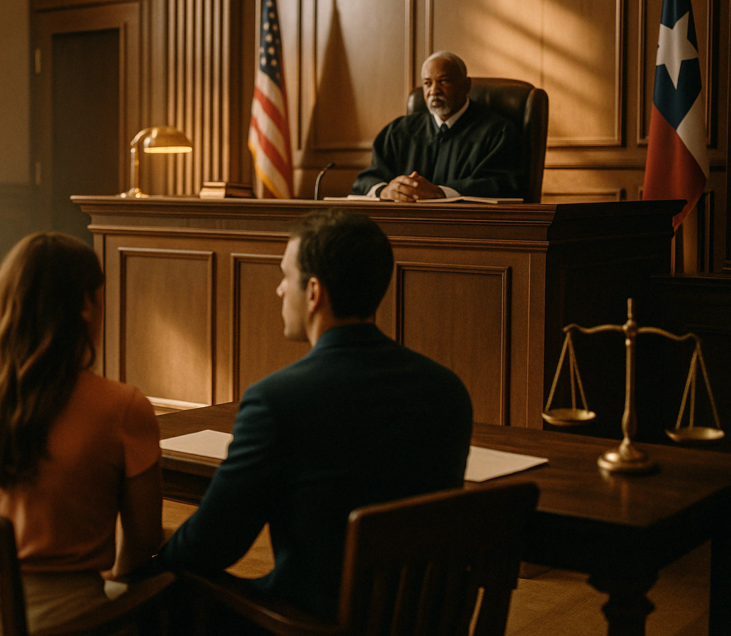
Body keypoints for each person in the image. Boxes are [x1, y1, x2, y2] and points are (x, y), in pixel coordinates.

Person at [156, 208, 473, 622]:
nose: (278, 290)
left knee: (161, 592)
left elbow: (212, 546)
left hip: (310, 624)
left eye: (285, 276)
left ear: (313, 292)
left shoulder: (277, 400)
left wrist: (149, 562)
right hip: (422, 622)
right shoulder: (448, 391)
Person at [0, 232, 163, 634]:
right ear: (86, 306)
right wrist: (117, 583)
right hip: (68, 621)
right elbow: (142, 542)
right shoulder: (123, 407)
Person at [351, 51, 525, 201]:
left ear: (466, 86)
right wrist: (385, 191)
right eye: (427, 83)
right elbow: (366, 180)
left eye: (444, 81)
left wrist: (441, 193)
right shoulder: (399, 131)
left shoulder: (497, 131)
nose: (434, 91)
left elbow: (502, 185)